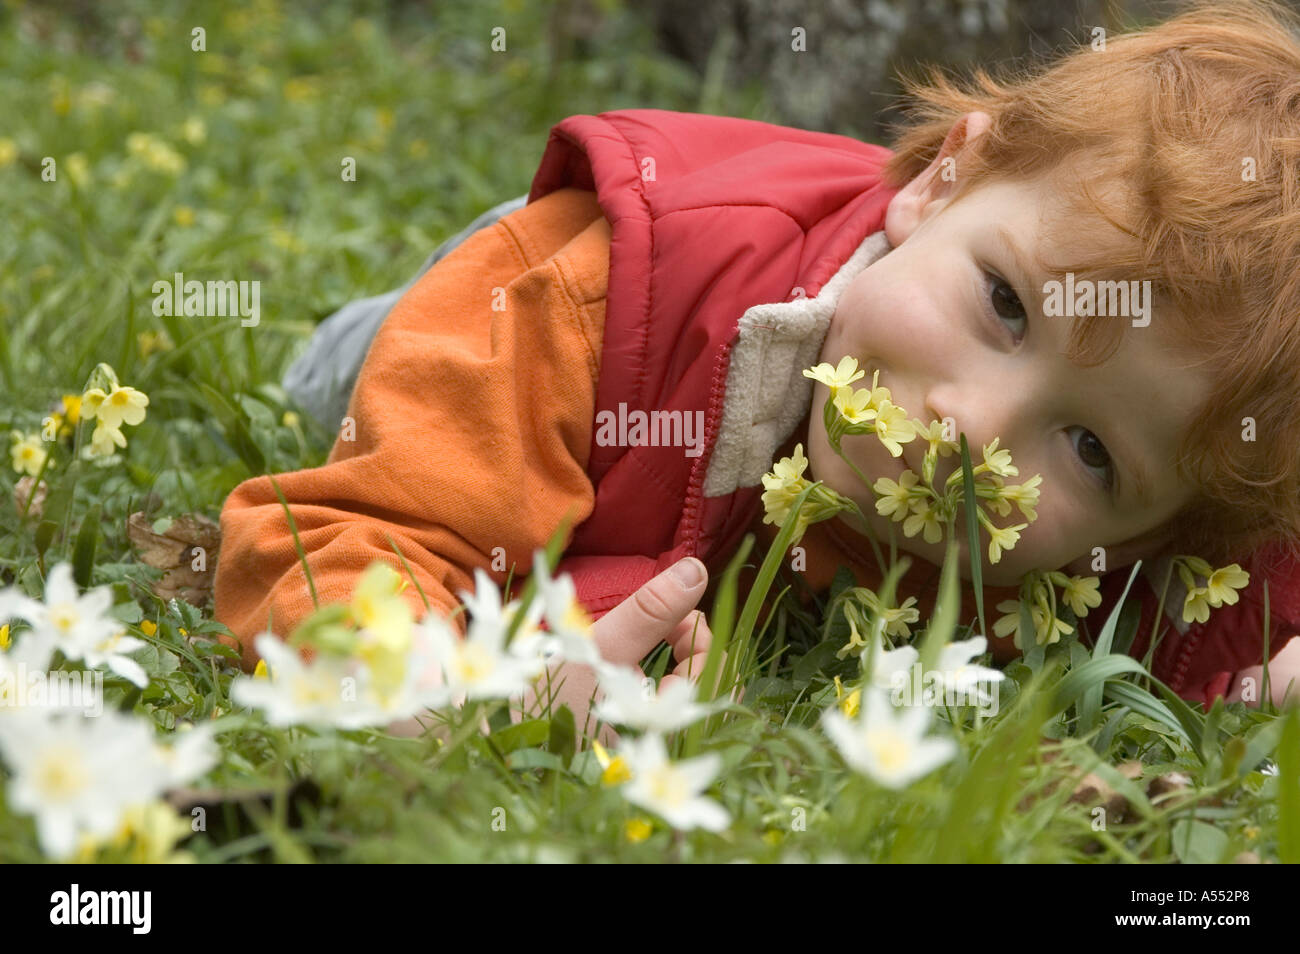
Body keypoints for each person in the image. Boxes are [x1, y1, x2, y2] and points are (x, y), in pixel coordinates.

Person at [215, 1, 1300, 734]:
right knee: (394, 383)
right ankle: (356, 341)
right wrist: (434, 692)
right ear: (942, 180)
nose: (970, 436)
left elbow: (1236, 624)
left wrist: (1258, 689)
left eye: (1090, 450)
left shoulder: (1186, 510)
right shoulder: (594, 299)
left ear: (1156, 533)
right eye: (1005, 304)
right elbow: (341, 546)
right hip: (596, 294)